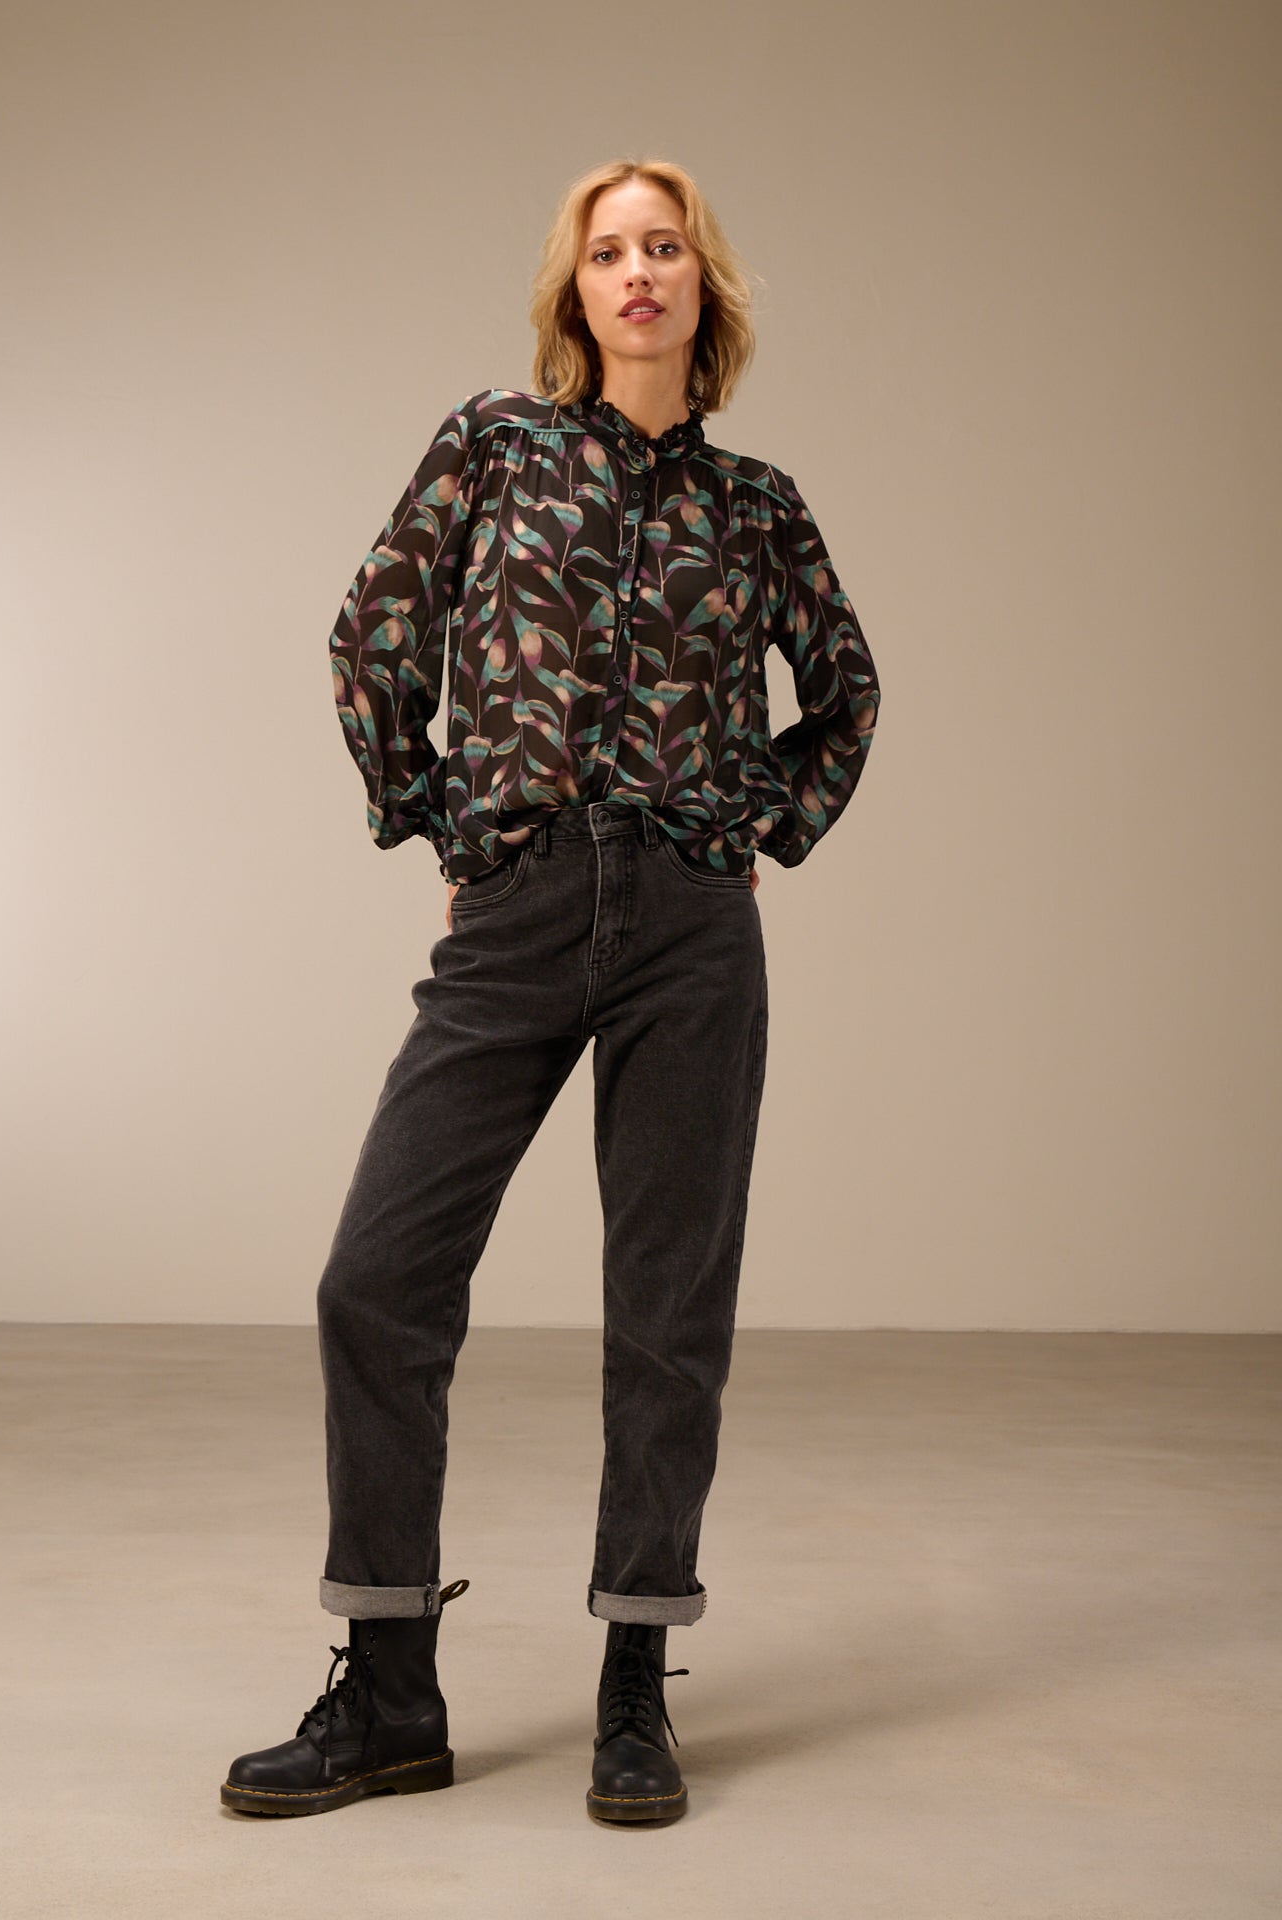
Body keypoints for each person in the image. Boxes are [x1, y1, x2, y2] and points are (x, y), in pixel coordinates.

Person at [221, 155, 881, 1827]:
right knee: (378, 1279)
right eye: (608, 251)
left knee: (669, 1314)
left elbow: (847, 691)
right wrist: (443, 819)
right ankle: (390, 1697)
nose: (637, 272)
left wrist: (748, 831)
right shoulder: (494, 446)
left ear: (702, 286)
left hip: (690, 931)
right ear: (574, 290)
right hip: (517, 907)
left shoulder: (759, 506)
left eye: (664, 247)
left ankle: (635, 1687)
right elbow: (374, 633)